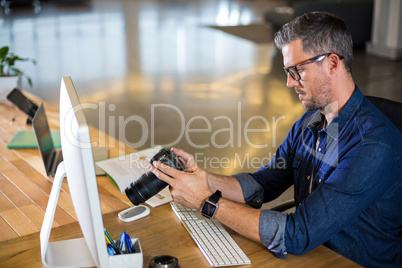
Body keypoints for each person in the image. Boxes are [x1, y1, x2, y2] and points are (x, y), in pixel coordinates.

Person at [148, 11, 402, 267]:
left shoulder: (371, 145)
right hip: (313, 252)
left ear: (332, 64)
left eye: (296, 71)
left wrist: (206, 201)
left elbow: (297, 234)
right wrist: (203, 179)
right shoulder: (311, 121)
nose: (290, 83)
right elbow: (264, 183)